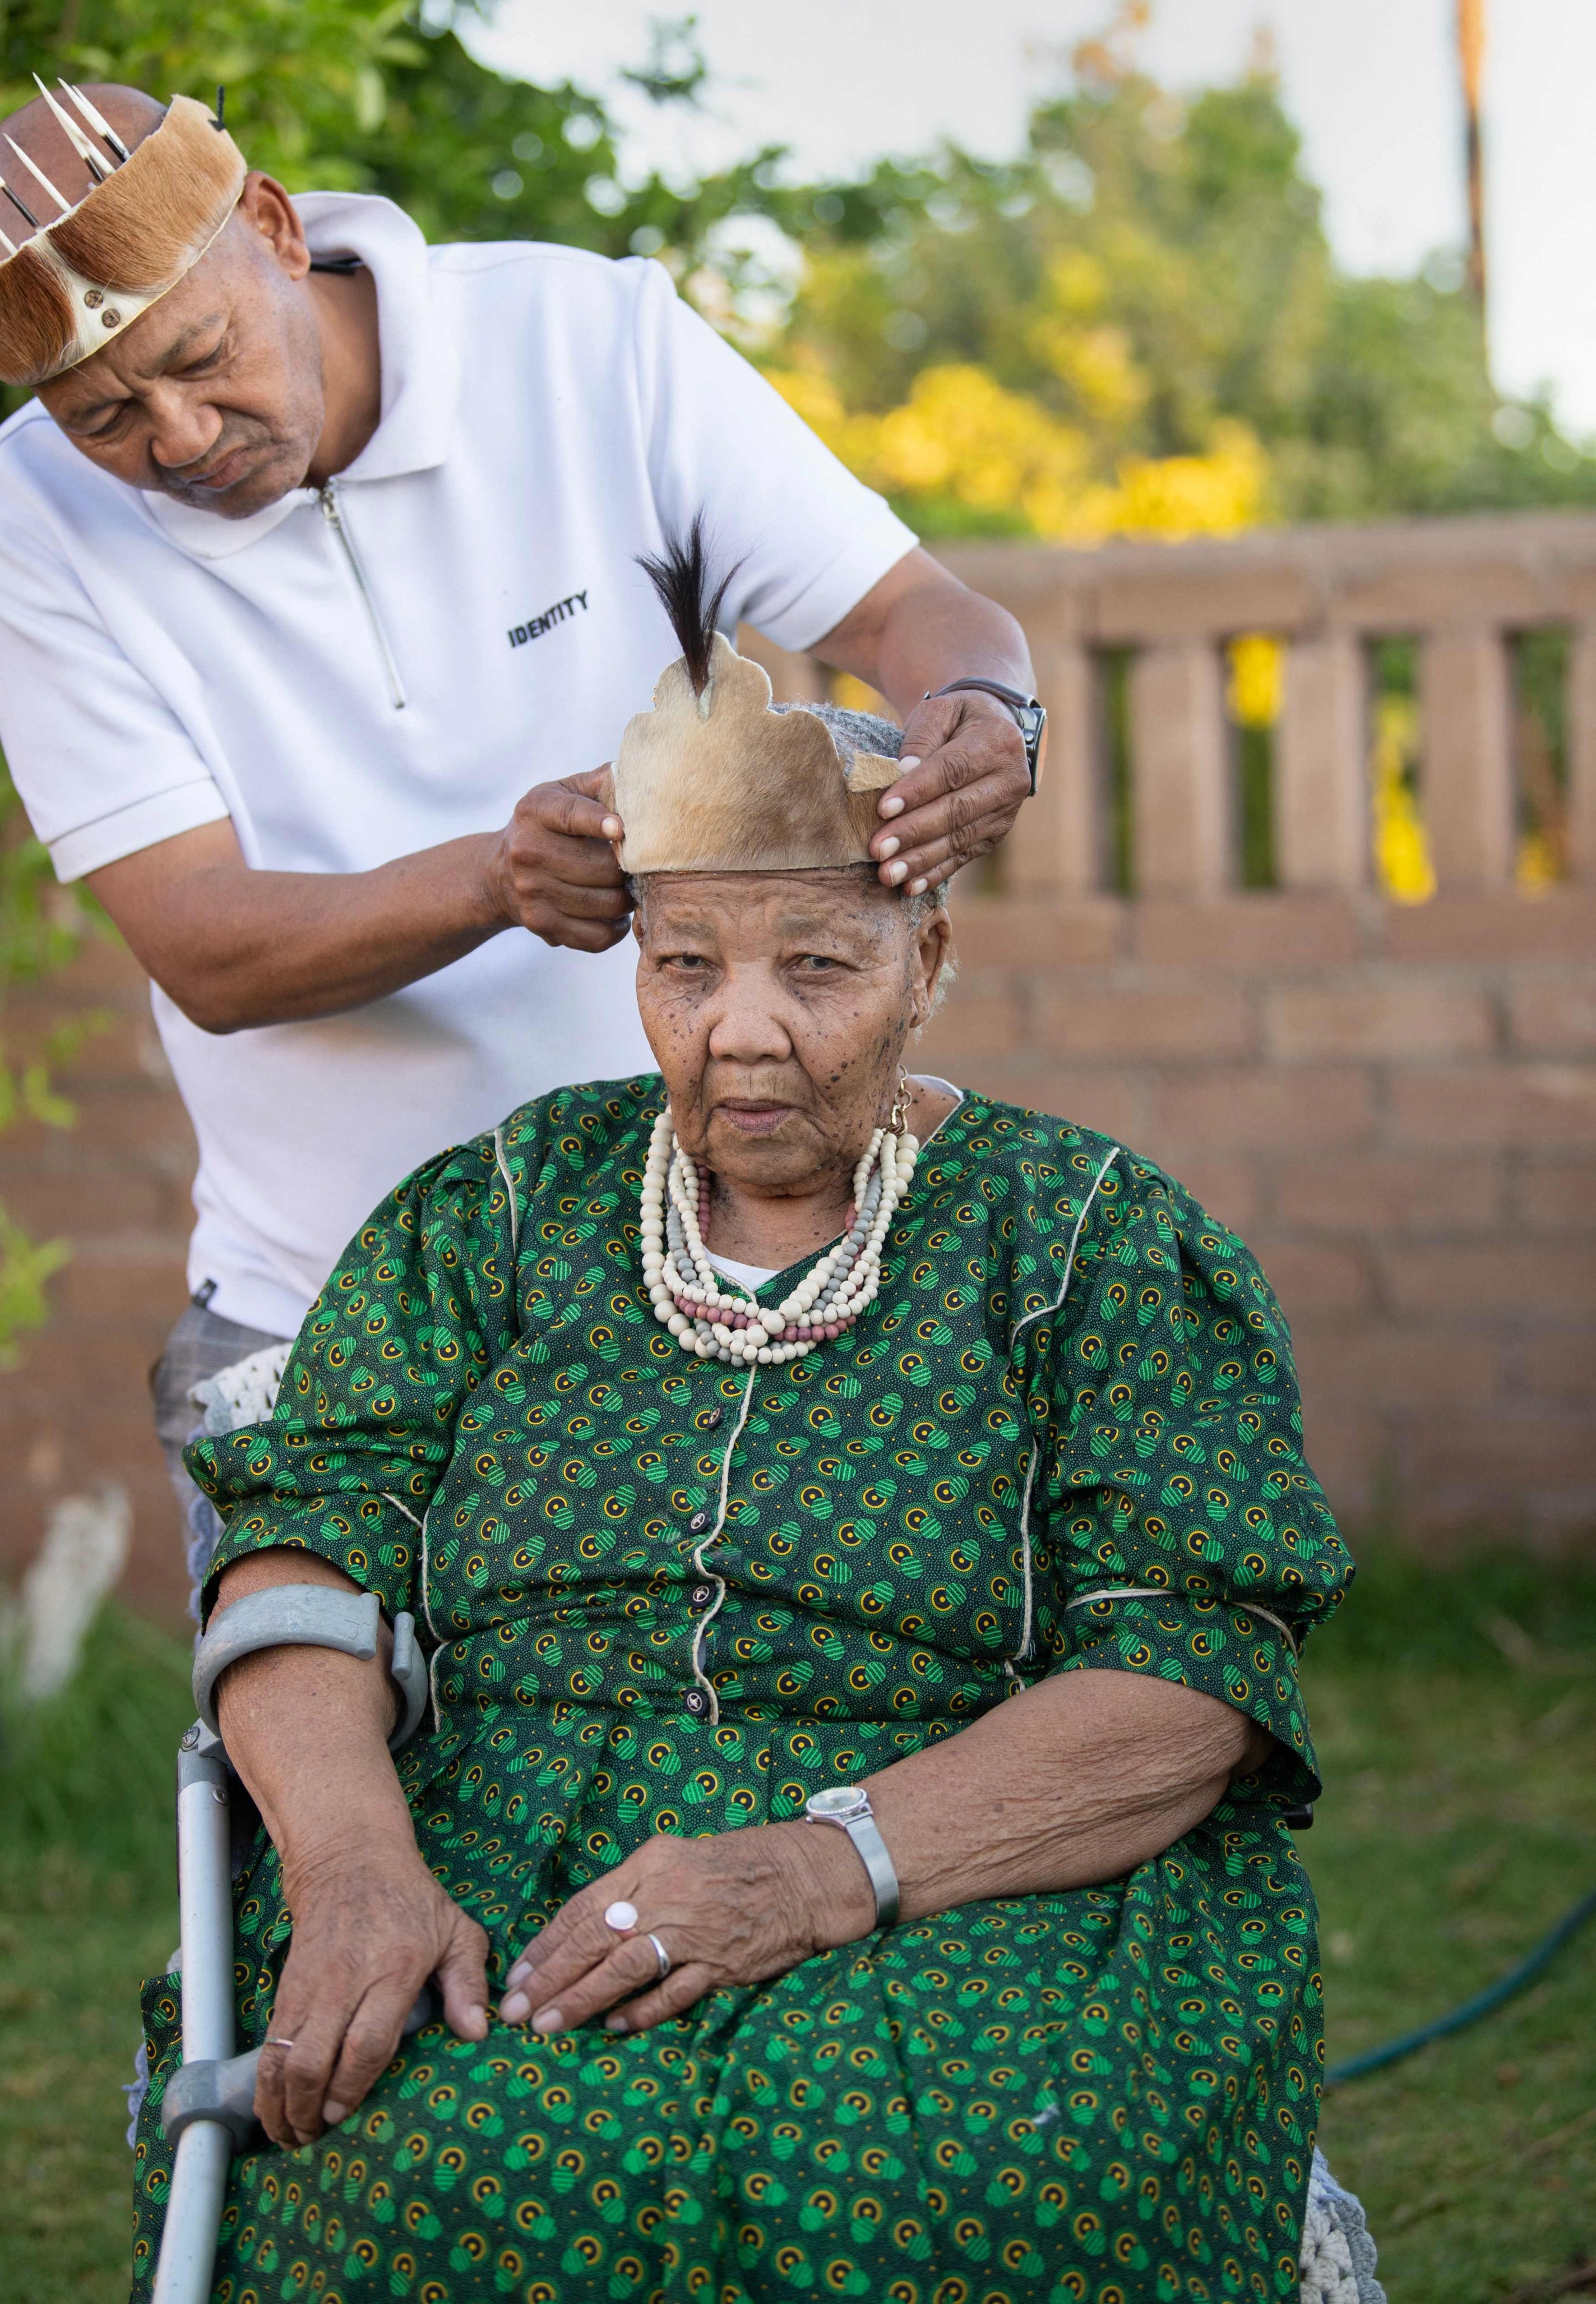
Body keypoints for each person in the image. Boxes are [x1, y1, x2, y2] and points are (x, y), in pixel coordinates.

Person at [131, 558, 1352, 2302]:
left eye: (820, 963)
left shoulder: (1085, 1236)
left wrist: (821, 1864)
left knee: (983, 2175)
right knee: (431, 2157)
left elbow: (1191, 1677)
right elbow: (296, 1557)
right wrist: (353, 1868)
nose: (744, 1027)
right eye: (685, 963)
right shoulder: (494, 1212)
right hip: (502, 1876)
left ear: (930, 956)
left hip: (967, 1869)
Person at [0, 79, 1046, 1601]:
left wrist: (982, 707)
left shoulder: (592, 346)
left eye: (200, 361)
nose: (177, 437)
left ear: (271, 226)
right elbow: (203, 943)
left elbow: (915, 614)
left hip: (714, 1281)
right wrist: (493, 878)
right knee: (328, 1775)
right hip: (318, 1312)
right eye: (105, 415)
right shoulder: (33, 515)